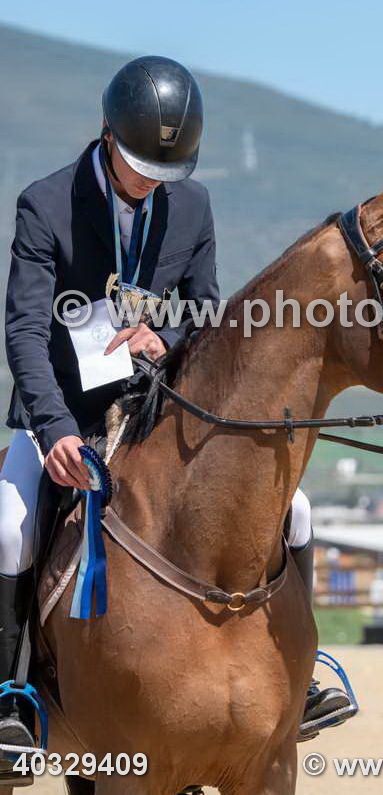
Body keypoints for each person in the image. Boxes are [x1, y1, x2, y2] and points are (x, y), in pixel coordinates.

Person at [0, 56, 353, 774]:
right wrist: (55, 432)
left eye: (164, 170)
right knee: (10, 526)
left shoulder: (191, 206)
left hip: (158, 410)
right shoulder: (47, 204)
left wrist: (167, 335)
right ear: (107, 133)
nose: (150, 182)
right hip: (64, 413)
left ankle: (300, 671)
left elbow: (204, 310)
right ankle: (11, 699)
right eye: (139, 167)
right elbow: (25, 332)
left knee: (297, 507)